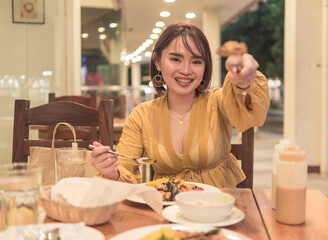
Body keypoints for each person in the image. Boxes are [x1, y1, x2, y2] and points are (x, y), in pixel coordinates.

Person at [91, 22, 270, 188]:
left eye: (196, 61)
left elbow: (250, 112)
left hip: (218, 207)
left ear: (205, 67)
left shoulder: (217, 101)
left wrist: (244, 82)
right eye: (176, 59)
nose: (186, 70)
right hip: (167, 208)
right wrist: (111, 171)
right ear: (158, 62)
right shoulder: (142, 115)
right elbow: (124, 168)